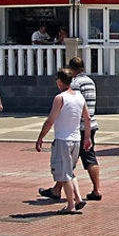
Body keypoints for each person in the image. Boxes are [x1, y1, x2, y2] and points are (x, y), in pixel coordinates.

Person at [39, 56, 102, 202]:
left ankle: (71, 193)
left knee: (71, 160)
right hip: (90, 124)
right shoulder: (90, 82)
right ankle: (59, 189)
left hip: (76, 127)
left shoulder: (75, 84)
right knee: (86, 158)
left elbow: (71, 106)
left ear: (72, 70)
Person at [35, 68, 92, 214]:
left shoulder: (60, 98)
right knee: (70, 171)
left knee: (64, 173)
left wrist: (41, 137)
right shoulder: (79, 96)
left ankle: (71, 205)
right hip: (76, 139)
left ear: (60, 81)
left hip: (63, 139)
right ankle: (78, 199)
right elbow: (87, 118)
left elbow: (50, 120)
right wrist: (87, 137)